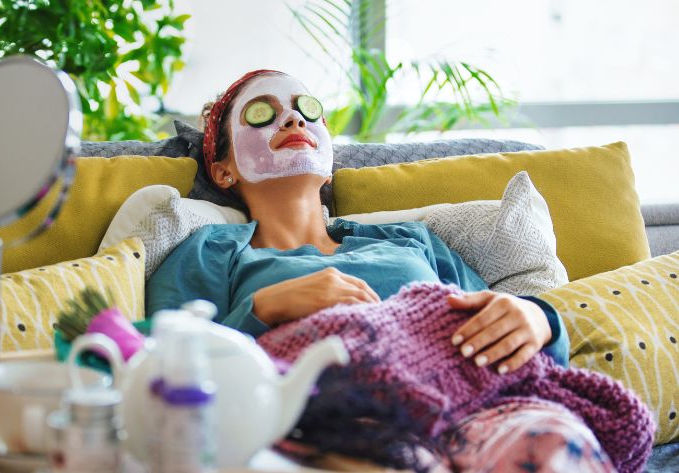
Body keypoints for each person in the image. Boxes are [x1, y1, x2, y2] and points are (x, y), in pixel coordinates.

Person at [145, 69, 618, 472]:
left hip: (467, 408)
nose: (293, 118)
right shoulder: (214, 250)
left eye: (307, 110)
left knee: (554, 442)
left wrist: (539, 320)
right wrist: (263, 307)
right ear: (223, 169)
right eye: (261, 114)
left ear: (329, 161)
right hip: (332, 419)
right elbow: (164, 364)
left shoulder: (410, 241)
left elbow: (495, 330)